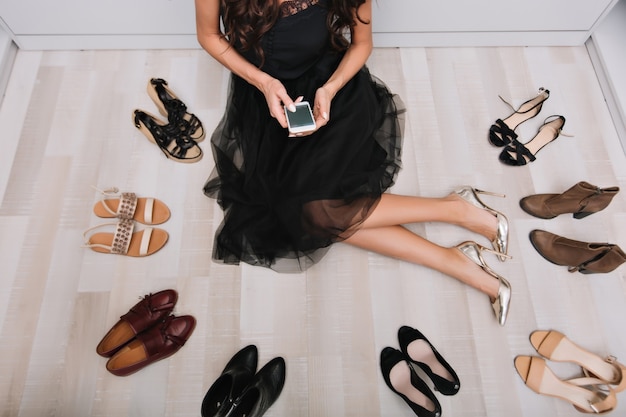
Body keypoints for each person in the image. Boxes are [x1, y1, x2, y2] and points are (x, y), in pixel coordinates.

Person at [194, 0, 512, 325]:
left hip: (330, 90)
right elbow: (208, 34)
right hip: (264, 97)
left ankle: (458, 217)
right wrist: (264, 82)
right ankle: (455, 233)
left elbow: (362, 43)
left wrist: (330, 90)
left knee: (316, 213)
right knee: (304, 214)